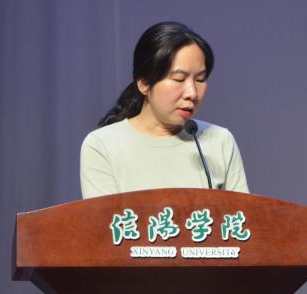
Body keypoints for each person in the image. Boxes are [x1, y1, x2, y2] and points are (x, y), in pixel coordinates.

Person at [80, 22, 249, 198]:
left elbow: (242, 214)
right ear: (144, 83)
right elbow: (103, 216)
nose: (192, 93)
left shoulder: (220, 140)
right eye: (179, 79)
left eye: (200, 79)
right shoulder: (102, 145)